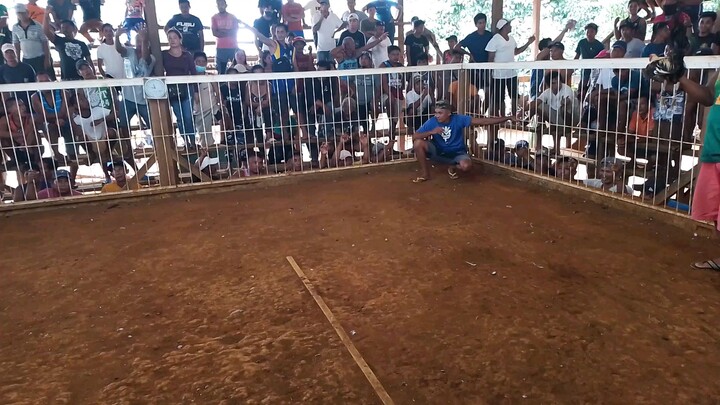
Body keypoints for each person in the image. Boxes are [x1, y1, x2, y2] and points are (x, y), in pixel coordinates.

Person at [411, 100, 516, 182]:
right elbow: (415, 136)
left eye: (440, 113)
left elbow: (484, 121)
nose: (437, 115)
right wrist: (431, 132)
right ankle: (425, 174)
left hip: (457, 152)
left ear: (449, 113)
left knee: (466, 166)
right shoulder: (432, 121)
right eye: (436, 113)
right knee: (418, 143)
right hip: (438, 151)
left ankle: (453, 167)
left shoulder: (459, 119)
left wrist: (507, 118)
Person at [485, 18, 535, 117]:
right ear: (504, 27)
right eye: (509, 25)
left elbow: (516, 51)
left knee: (514, 96)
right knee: (500, 98)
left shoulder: (511, 39)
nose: (511, 26)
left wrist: (528, 43)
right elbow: (490, 58)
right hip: (498, 74)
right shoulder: (495, 40)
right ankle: (502, 117)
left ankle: (514, 117)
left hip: (511, 73)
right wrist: (490, 72)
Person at [115, 24, 154, 149]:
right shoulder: (130, 51)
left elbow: (145, 58)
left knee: (152, 124)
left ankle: (156, 146)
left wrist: (144, 40)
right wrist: (117, 36)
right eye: (137, 41)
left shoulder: (151, 58)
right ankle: (128, 148)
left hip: (143, 99)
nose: (139, 43)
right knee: (123, 124)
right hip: (127, 96)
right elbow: (119, 49)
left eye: (142, 41)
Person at [30, 71, 76, 166]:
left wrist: (60, 118)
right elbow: (43, 115)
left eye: (47, 81)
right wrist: (55, 120)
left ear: (52, 81)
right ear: (37, 83)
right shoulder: (35, 97)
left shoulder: (63, 92)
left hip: (65, 120)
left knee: (70, 125)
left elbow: (64, 112)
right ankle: (57, 154)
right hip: (49, 123)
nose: (45, 84)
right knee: (49, 126)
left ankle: (72, 154)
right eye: (41, 82)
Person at [526, 71, 580, 151]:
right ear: (549, 85)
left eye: (558, 82)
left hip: (570, 119)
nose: (557, 84)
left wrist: (565, 102)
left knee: (562, 110)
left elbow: (567, 102)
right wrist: (525, 109)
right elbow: (537, 102)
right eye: (554, 83)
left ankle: (563, 129)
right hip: (556, 118)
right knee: (538, 107)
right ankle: (527, 121)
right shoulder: (547, 92)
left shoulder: (567, 90)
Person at [162, 28, 197, 151]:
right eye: (170, 38)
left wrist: (196, 91)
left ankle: (193, 141)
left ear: (180, 39)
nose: (172, 40)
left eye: (175, 37)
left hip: (186, 88)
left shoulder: (187, 55)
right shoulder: (164, 54)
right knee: (180, 117)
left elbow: (193, 73)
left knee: (188, 116)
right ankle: (186, 141)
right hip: (172, 89)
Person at [42, 9, 91, 81]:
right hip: (66, 78)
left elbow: (89, 61)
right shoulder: (59, 41)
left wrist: (93, 76)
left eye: (67, 27)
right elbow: (46, 31)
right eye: (63, 28)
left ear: (73, 28)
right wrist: (46, 16)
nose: (65, 29)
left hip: (81, 78)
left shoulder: (82, 44)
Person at [12, 4, 53, 80]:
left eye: (22, 13)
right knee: (29, 80)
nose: (21, 15)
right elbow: (16, 44)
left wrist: (47, 59)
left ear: (27, 12)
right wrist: (17, 59)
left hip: (40, 58)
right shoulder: (15, 27)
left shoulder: (38, 25)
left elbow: (45, 42)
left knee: (44, 79)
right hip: (26, 59)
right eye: (18, 13)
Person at [455, 13, 492, 92]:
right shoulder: (471, 37)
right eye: (480, 23)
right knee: (474, 91)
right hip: (474, 67)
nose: (482, 25)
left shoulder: (489, 35)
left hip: (487, 67)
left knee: (488, 90)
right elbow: (457, 47)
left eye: (484, 22)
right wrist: (468, 54)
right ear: (476, 24)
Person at [193, 51, 222, 151]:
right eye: (198, 61)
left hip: (212, 108)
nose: (200, 63)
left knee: (224, 121)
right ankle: (206, 153)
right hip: (198, 112)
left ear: (206, 63)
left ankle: (223, 142)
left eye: (203, 61)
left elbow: (217, 92)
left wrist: (220, 105)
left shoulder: (210, 77)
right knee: (204, 136)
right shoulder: (190, 77)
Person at [0, 44, 36, 109]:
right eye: (6, 53)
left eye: (11, 52)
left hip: (28, 100)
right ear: (3, 55)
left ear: (15, 53)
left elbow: (34, 85)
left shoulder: (27, 67)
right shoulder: (1, 70)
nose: (9, 55)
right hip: (11, 103)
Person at [211, 0, 239, 75]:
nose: (220, 6)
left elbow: (235, 31)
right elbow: (215, 33)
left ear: (226, 5)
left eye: (222, 4)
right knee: (221, 71)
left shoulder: (233, 17)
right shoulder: (214, 17)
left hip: (233, 46)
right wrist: (228, 32)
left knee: (237, 68)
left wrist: (221, 31)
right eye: (218, 4)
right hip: (220, 48)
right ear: (217, 6)